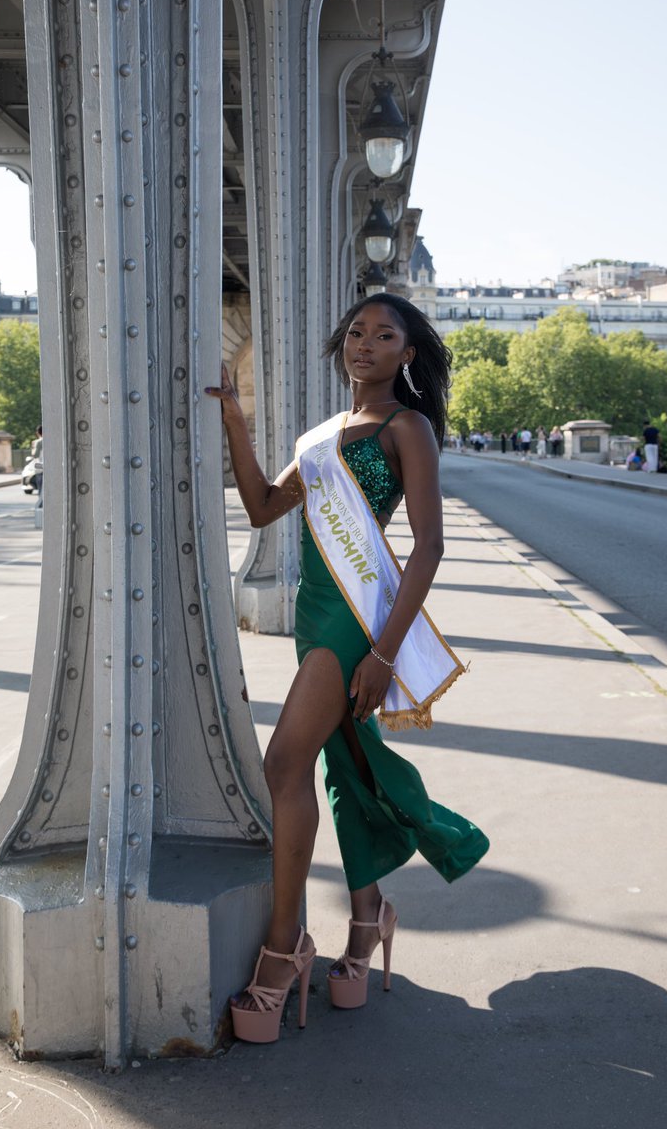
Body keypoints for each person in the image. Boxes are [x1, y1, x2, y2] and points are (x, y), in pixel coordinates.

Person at [206, 293, 489, 1043]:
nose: (366, 344)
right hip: (314, 617)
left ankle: (285, 946)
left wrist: (384, 653)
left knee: (284, 766)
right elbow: (266, 505)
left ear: (407, 353)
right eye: (356, 333)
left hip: (356, 625)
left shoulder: (408, 428)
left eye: (384, 334)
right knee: (341, 769)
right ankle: (366, 923)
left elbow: (427, 547)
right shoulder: (322, 439)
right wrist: (236, 422)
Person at [30, 424, 44, 507]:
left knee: (41, 490)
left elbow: (35, 455)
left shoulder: (38, 442)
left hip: (40, 468)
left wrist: (33, 447)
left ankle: (41, 507)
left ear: (38, 433)